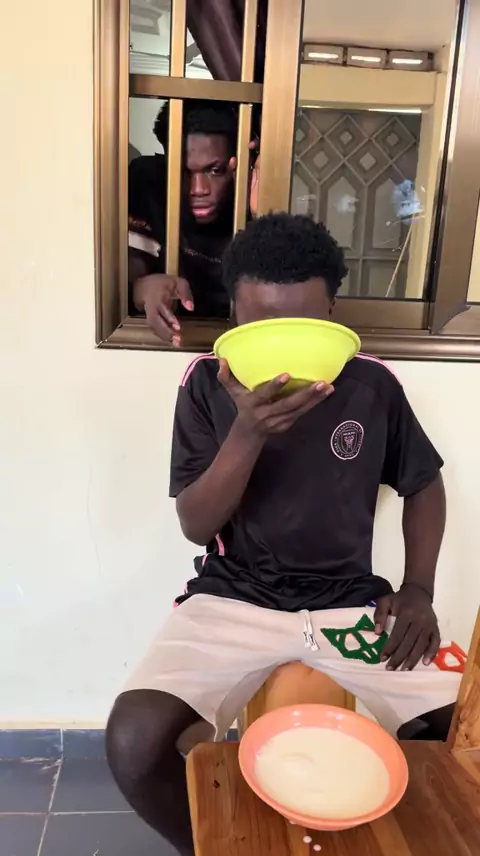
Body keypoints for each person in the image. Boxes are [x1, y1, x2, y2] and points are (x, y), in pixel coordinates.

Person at [107, 213, 463, 856]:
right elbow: (196, 525)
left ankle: (383, 819)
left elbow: (424, 483)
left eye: (304, 325)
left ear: (331, 312)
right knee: (134, 741)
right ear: (235, 317)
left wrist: (418, 589)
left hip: (350, 602)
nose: (284, 348)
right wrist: (247, 434)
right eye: (263, 327)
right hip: (233, 596)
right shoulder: (207, 384)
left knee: (465, 727)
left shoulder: (371, 383)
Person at [129, 99, 258, 346]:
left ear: (239, 163)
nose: (198, 189)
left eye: (215, 171)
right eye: (184, 172)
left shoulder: (255, 198)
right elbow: (125, 274)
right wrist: (141, 288)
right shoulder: (148, 183)